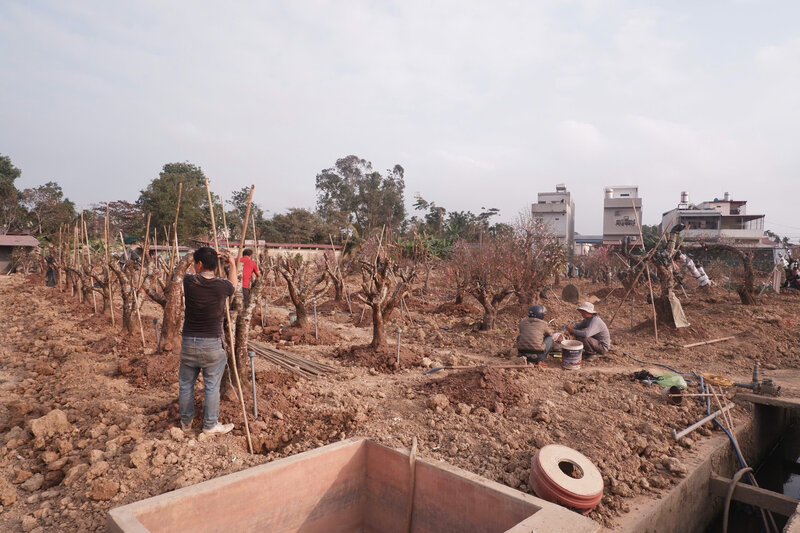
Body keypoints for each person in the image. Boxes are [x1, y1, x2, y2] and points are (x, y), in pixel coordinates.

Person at [179, 247, 237, 435]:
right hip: (212, 343)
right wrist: (232, 263)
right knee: (212, 386)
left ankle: (186, 424)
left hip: (189, 342)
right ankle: (210, 425)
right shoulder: (223, 286)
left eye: (196, 262)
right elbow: (234, 285)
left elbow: (184, 267)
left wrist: (202, 256)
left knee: (186, 384)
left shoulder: (189, 281)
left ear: (200, 264)